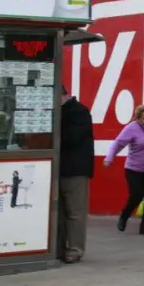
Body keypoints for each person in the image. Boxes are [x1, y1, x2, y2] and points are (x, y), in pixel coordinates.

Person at [104, 104, 144, 236]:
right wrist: (109, 158)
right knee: (136, 196)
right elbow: (117, 144)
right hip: (134, 169)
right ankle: (124, 216)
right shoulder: (131, 128)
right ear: (137, 119)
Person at [58, 87, 94, 263]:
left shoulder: (79, 112)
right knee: (59, 213)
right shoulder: (63, 111)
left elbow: (72, 138)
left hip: (75, 169)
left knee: (75, 212)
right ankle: (59, 248)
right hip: (59, 168)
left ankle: (75, 249)